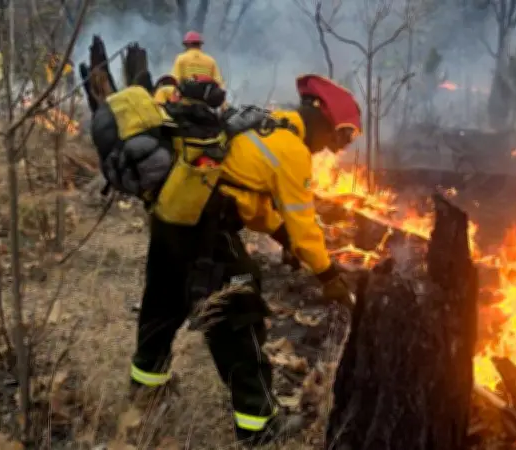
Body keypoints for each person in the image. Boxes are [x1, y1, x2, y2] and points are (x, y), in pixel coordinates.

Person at [124, 74, 359, 446]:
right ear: (321, 120)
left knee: (162, 303)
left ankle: (146, 389)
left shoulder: (263, 124)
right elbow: (305, 227)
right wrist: (328, 275)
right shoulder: (291, 150)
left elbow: (245, 193)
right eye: (336, 137)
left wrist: (278, 232)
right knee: (239, 317)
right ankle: (259, 426)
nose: (331, 149)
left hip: (173, 218)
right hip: (209, 234)